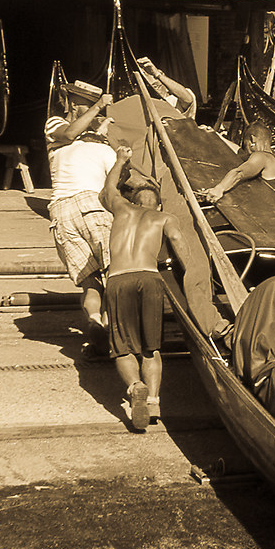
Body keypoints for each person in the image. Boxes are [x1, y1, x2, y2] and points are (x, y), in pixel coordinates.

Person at [98, 152, 170, 431]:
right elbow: (181, 249)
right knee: (151, 349)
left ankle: (134, 387)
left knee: (123, 348)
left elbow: (109, 189)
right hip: (150, 278)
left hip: (118, 279)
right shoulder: (164, 217)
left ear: (133, 201)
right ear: (158, 203)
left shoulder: (122, 209)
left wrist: (119, 160)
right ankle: (153, 402)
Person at [45, 84, 118, 357]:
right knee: (114, 275)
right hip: (92, 206)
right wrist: (99, 106)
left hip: (61, 212)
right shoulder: (56, 125)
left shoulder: (80, 146)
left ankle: (96, 322)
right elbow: (71, 132)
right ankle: (112, 329)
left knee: (91, 283)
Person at [199, 118, 275, 206]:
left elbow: (239, 173)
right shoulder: (274, 160)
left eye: (245, 144)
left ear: (252, 140)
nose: (246, 151)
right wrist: (215, 135)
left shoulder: (261, 156)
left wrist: (219, 188)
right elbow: (238, 152)